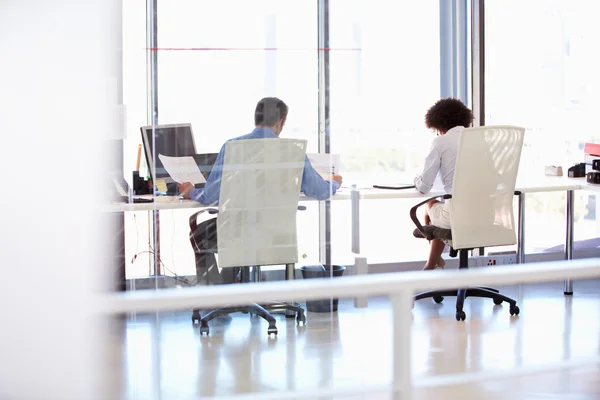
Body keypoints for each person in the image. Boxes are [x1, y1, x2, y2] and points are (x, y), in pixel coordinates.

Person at [179, 97, 343, 284]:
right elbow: (319, 191)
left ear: (256, 118)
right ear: (280, 122)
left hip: (238, 232)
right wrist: (335, 182)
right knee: (239, 233)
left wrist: (191, 191)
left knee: (200, 234)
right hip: (278, 234)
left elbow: (211, 196)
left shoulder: (232, 147)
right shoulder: (291, 151)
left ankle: (217, 294)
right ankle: (229, 287)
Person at [414, 97, 474, 271]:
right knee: (444, 207)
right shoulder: (480, 141)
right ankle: (432, 263)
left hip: (456, 216)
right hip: (486, 215)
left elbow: (424, 186)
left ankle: (431, 264)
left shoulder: (441, 142)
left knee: (430, 204)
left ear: (439, 126)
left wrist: (416, 180)